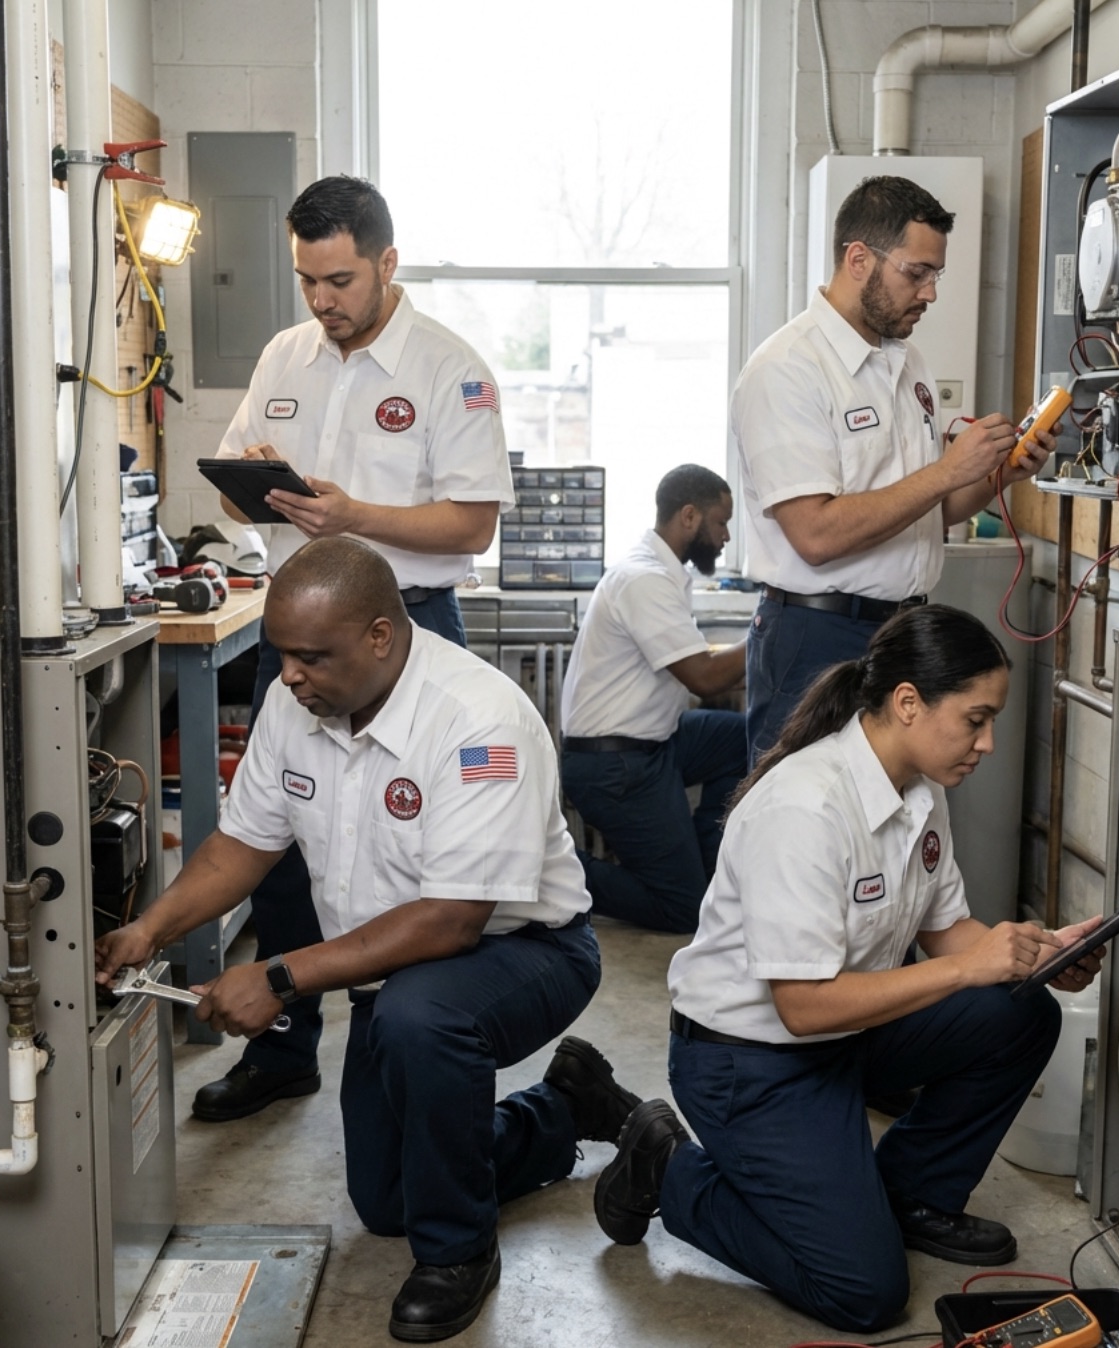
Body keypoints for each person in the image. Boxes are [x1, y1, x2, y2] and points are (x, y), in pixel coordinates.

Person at [97, 538, 639, 1343]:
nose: (288, 676)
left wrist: (278, 978)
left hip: (530, 953)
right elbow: (242, 845)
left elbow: (451, 922)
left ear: (382, 636)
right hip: (393, 973)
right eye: (283, 654)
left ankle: (460, 1253)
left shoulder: (478, 721)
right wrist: (149, 928)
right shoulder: (296, 704)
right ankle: (565, 1107)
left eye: (312, 656)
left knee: (422, 1020)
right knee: (386, 1200)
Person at [590, 604, 1106, 1333]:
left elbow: (947, 931)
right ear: (906, 703)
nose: (988, 743)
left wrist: (1033, 955)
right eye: (975, 719)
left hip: (845, 1036)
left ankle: (906, 1195)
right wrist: (969, 970)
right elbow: (802, 1006)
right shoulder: (805, 806)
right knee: (863, 1291)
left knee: (1020, 1011)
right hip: (750, 1063)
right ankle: (666, 1166)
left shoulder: (921, 794)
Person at [199, 175, 515, 1122]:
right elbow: (231, 483)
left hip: (410, 631)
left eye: (339, 280)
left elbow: (472, 526)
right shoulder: (286, 356)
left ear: (386, 262)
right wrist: (255, 493)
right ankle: (287, 1046)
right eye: (307, 281)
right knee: (286, 841)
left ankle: (403, 1033)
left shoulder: (450, 370)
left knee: (410, 846)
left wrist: (352, 514)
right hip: (293, 639)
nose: (323, 301)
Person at [735, 175, 1056, 762]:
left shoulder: (907, 365)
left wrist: (997, 473)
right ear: (858, 259)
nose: (930, 293)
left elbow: (930, 512)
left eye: (936, 275)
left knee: (894, 818)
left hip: (903, 632)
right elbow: (815, 534)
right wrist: (945, 470)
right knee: (806, 822)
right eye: (917, 272)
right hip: (817, 636)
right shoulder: (787, 369)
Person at [559, 465, 747, 934]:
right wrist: (770, 632)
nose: (725, 537)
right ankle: (549, 870)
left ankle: (706, 865)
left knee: (746, 739)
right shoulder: (644, 579)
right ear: (689, 516)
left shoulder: (662, 573)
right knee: (682, 910)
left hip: (653, 743)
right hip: (615, 766)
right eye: (721, 523)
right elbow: (704, 677)